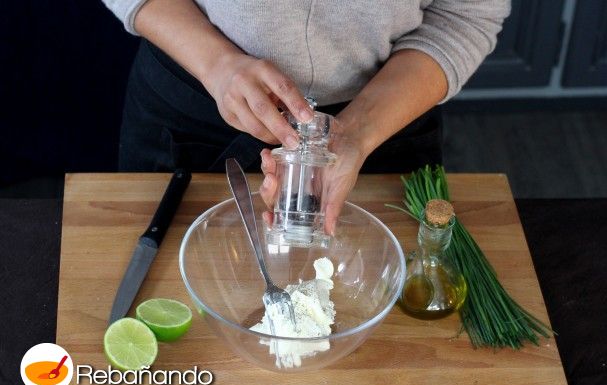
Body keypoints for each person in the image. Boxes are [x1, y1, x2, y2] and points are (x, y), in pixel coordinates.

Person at [103, 0, 510, 235]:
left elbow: (465, 14)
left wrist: (359, 131)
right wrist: (217, 64)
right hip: (194, 98)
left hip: (385, 114)